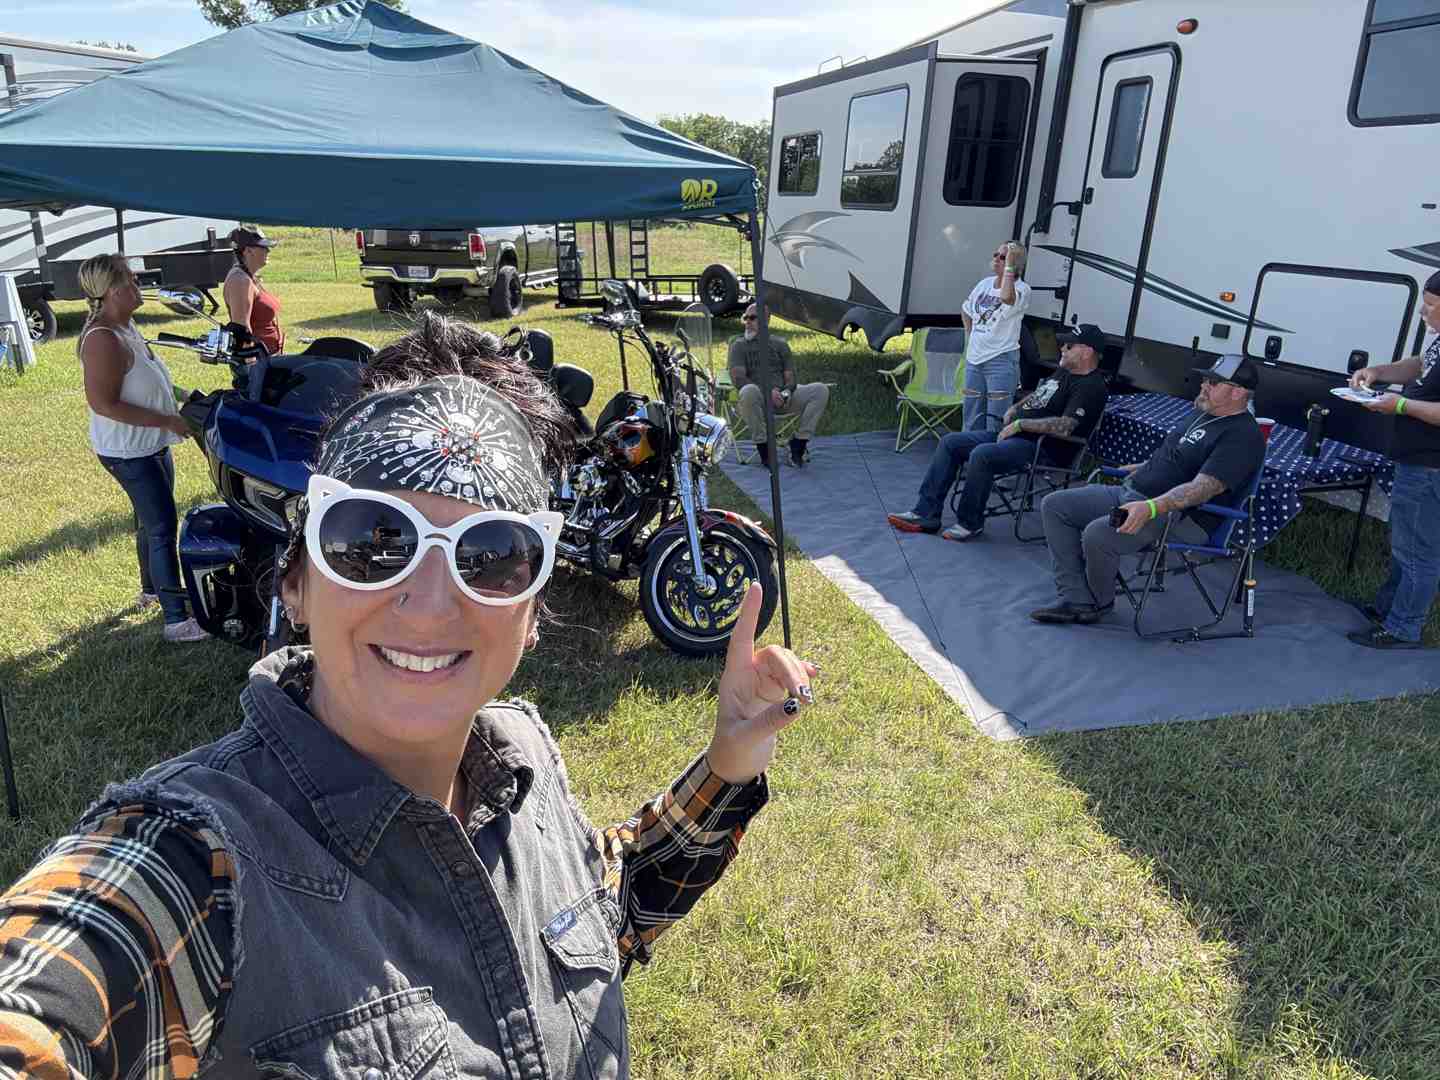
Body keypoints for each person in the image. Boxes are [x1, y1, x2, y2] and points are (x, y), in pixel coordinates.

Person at [0, 313, 818, 1079]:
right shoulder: (195, 864)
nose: (429, 605)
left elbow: (609, 905)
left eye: (492, 554)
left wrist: (729, 761)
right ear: (296, 584)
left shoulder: (522, 761)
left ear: (532, 612)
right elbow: (59, 984)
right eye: (371, 541)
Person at [1032, 353, 1266, 625]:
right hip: (1134, 493)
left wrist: (1151, 507)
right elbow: (1177, 457)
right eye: (1205, 379)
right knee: (1055, 505)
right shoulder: (1203, 413)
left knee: (1098, 533)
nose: (1204, 385)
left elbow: (1203, 488)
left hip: (1178, 516)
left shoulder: (1242, 436)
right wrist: (1142, 468)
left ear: (1238, 392)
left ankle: (1097, 603)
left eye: (1213, 382)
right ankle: (1076, 597)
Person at [76, 252, 209, 643]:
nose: (138, 284)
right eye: (130, 279)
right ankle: (176, 621)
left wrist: (184, 396)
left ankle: (151, 591)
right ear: (113, 290)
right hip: (129, 452)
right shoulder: (103, 339)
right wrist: (167, 420)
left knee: (150, 523)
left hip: (149, 445)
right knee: (162, 527)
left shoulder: (126, 327)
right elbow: (104, 404)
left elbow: (149, 380)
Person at [888, 323, 1109, 540]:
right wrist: (1016, 408)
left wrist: (1021, 424)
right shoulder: (1064, 372)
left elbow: (1066, 426)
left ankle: (969, 523)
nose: (1062, 348)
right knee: (950, 442)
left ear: (1087, 351)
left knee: (982, 454)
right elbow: (1039, 395)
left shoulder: (1091, 387)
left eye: (1069, 345)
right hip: (1016, 436)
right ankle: (925, 513)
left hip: (1044, 448)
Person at [1346, 269, 1440, 649]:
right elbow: (1420, 365)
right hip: (1417, 461)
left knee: (1418, 553)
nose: (1422, 312)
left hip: (1430, 466)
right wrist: (1378, 372)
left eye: (1430, 305)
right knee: (1406, 546)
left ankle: (1403, 629)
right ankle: (1387, 609)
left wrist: (1400, 405)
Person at [729, 303, 830, 467]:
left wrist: (786, 393)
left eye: (752, 318)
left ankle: (798, 443)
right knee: (748, 391)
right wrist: (768, 392)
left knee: (820, 390)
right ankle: (764, 448)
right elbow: (738, 379)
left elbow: (791, 378)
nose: (747, 322)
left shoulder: (780, 344)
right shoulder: (739, 346)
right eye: (745, 318)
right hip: (756, 401)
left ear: (766, 320)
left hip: (781, 399)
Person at [960, 241, 1031, 432]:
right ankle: (967, 451)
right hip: (975, 360)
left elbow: (1006, 297)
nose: (996, 259)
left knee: (996, 421)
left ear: (1015, 263)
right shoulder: (984, 284)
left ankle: (991, 451)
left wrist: (1009, 266)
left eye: (1003, 257)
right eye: (996, 254)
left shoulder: (1022, 289)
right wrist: (970, 335)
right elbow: (966, 309)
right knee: (971, 417)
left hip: (1000, 361)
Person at [223, 223, 285, 357]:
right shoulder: (240, 280)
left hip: (268, 356)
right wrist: (250, 361)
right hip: (258, 360)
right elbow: (241, 329)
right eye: (263, 247)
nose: (268, 251)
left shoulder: (247, 276)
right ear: (248, 251)